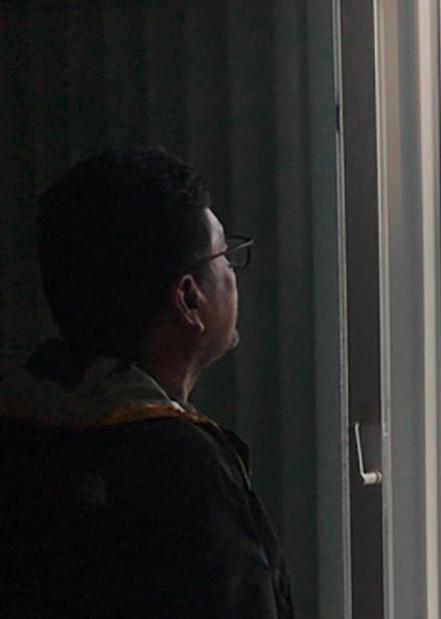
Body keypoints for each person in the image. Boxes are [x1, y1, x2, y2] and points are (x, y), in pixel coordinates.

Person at [0, 149, 293, 618]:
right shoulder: (183, 470)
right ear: (188, 299)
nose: (234, 275)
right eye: (226, 257)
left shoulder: (26, 416)